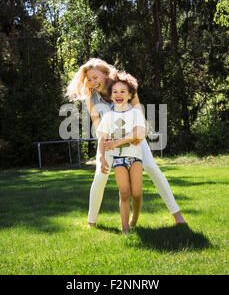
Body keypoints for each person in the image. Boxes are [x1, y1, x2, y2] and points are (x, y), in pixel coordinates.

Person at [66, 58, 186, 227]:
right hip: (109, 139)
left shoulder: (124, 86)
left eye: (95, 78)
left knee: (152, 167)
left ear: (106, 74)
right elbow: (97, 123)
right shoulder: (90, 96)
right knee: (101, 174)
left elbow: (139, 112)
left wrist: (140, 134)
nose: (92, 83)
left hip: (133, 137)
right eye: (89, 80)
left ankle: (177, 215)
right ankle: (91, 222)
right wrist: (103, 150)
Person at [96, 73, 146, 234]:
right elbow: (102, 139)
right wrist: (102, 157)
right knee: (124, 192)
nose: (119, 95)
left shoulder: (136, 114)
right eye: (115, 92)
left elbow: (137, 134)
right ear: (110, 96)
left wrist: (116, 142)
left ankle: (135, 217)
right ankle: (125, 228)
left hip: (135, 158)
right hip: (118, 159)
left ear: (130, 95)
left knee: (137, 193)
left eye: (123, 91)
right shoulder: (108, 117)